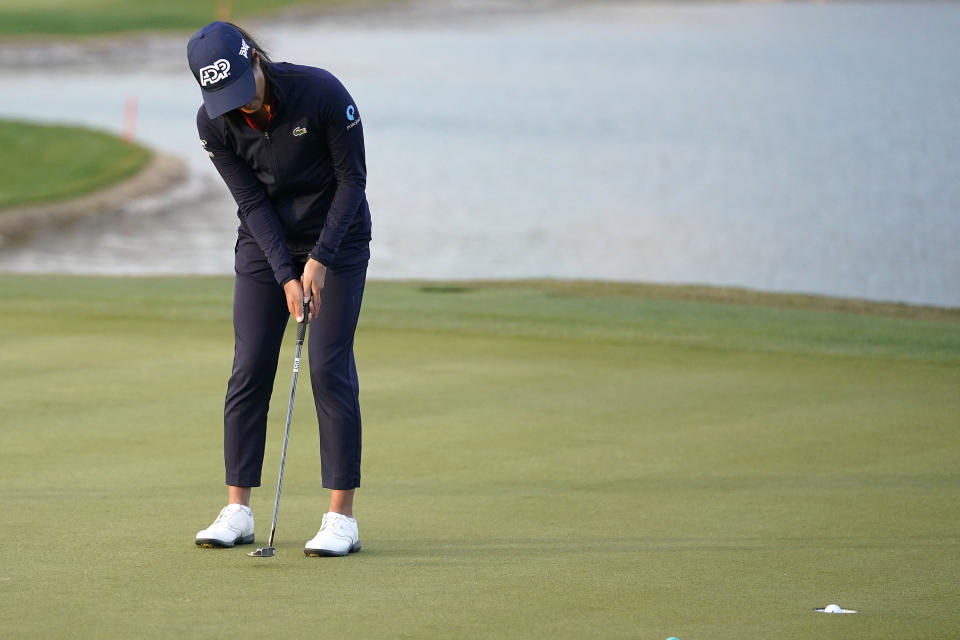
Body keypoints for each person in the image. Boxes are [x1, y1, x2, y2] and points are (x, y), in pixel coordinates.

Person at [187, 21, 371, 556]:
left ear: (256, 62)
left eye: (244, 90)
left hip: (337, 236)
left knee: (328, 367)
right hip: (265, 242)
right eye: (225, 99)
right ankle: (237, 510)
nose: (241, 107)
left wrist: (318, 261)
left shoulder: (323, 94)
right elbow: (251, 202)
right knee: (249, 365)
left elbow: (352, 183)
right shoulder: (214, 123)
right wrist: (286, 274)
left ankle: (341, 519)